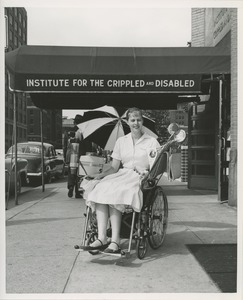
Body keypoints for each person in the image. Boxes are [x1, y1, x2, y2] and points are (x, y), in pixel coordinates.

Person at [81, 107, 160, 254]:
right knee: (100, 188)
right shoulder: (121, 141)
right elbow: (114, 167)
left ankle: (115, 241)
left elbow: (154, 167)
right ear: (128, 122)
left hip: (140, 176)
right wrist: (99, 176)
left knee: (116, 192)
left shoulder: (152, 142)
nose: (136, 123)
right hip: (122, 174)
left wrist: (147, 174)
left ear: (142, 121)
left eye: (139, 120)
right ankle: (102, 237)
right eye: (133, 120)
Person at [63, 114, 86, 198]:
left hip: (70, 155)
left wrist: (65, 157)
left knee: (71, 172)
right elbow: (85, 145)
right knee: (79, 174)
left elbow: (64, 145)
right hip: (80, 155)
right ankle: (77, 192)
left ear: (74, 122)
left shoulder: (68, 132)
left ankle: (71, 186)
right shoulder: (82, 131)